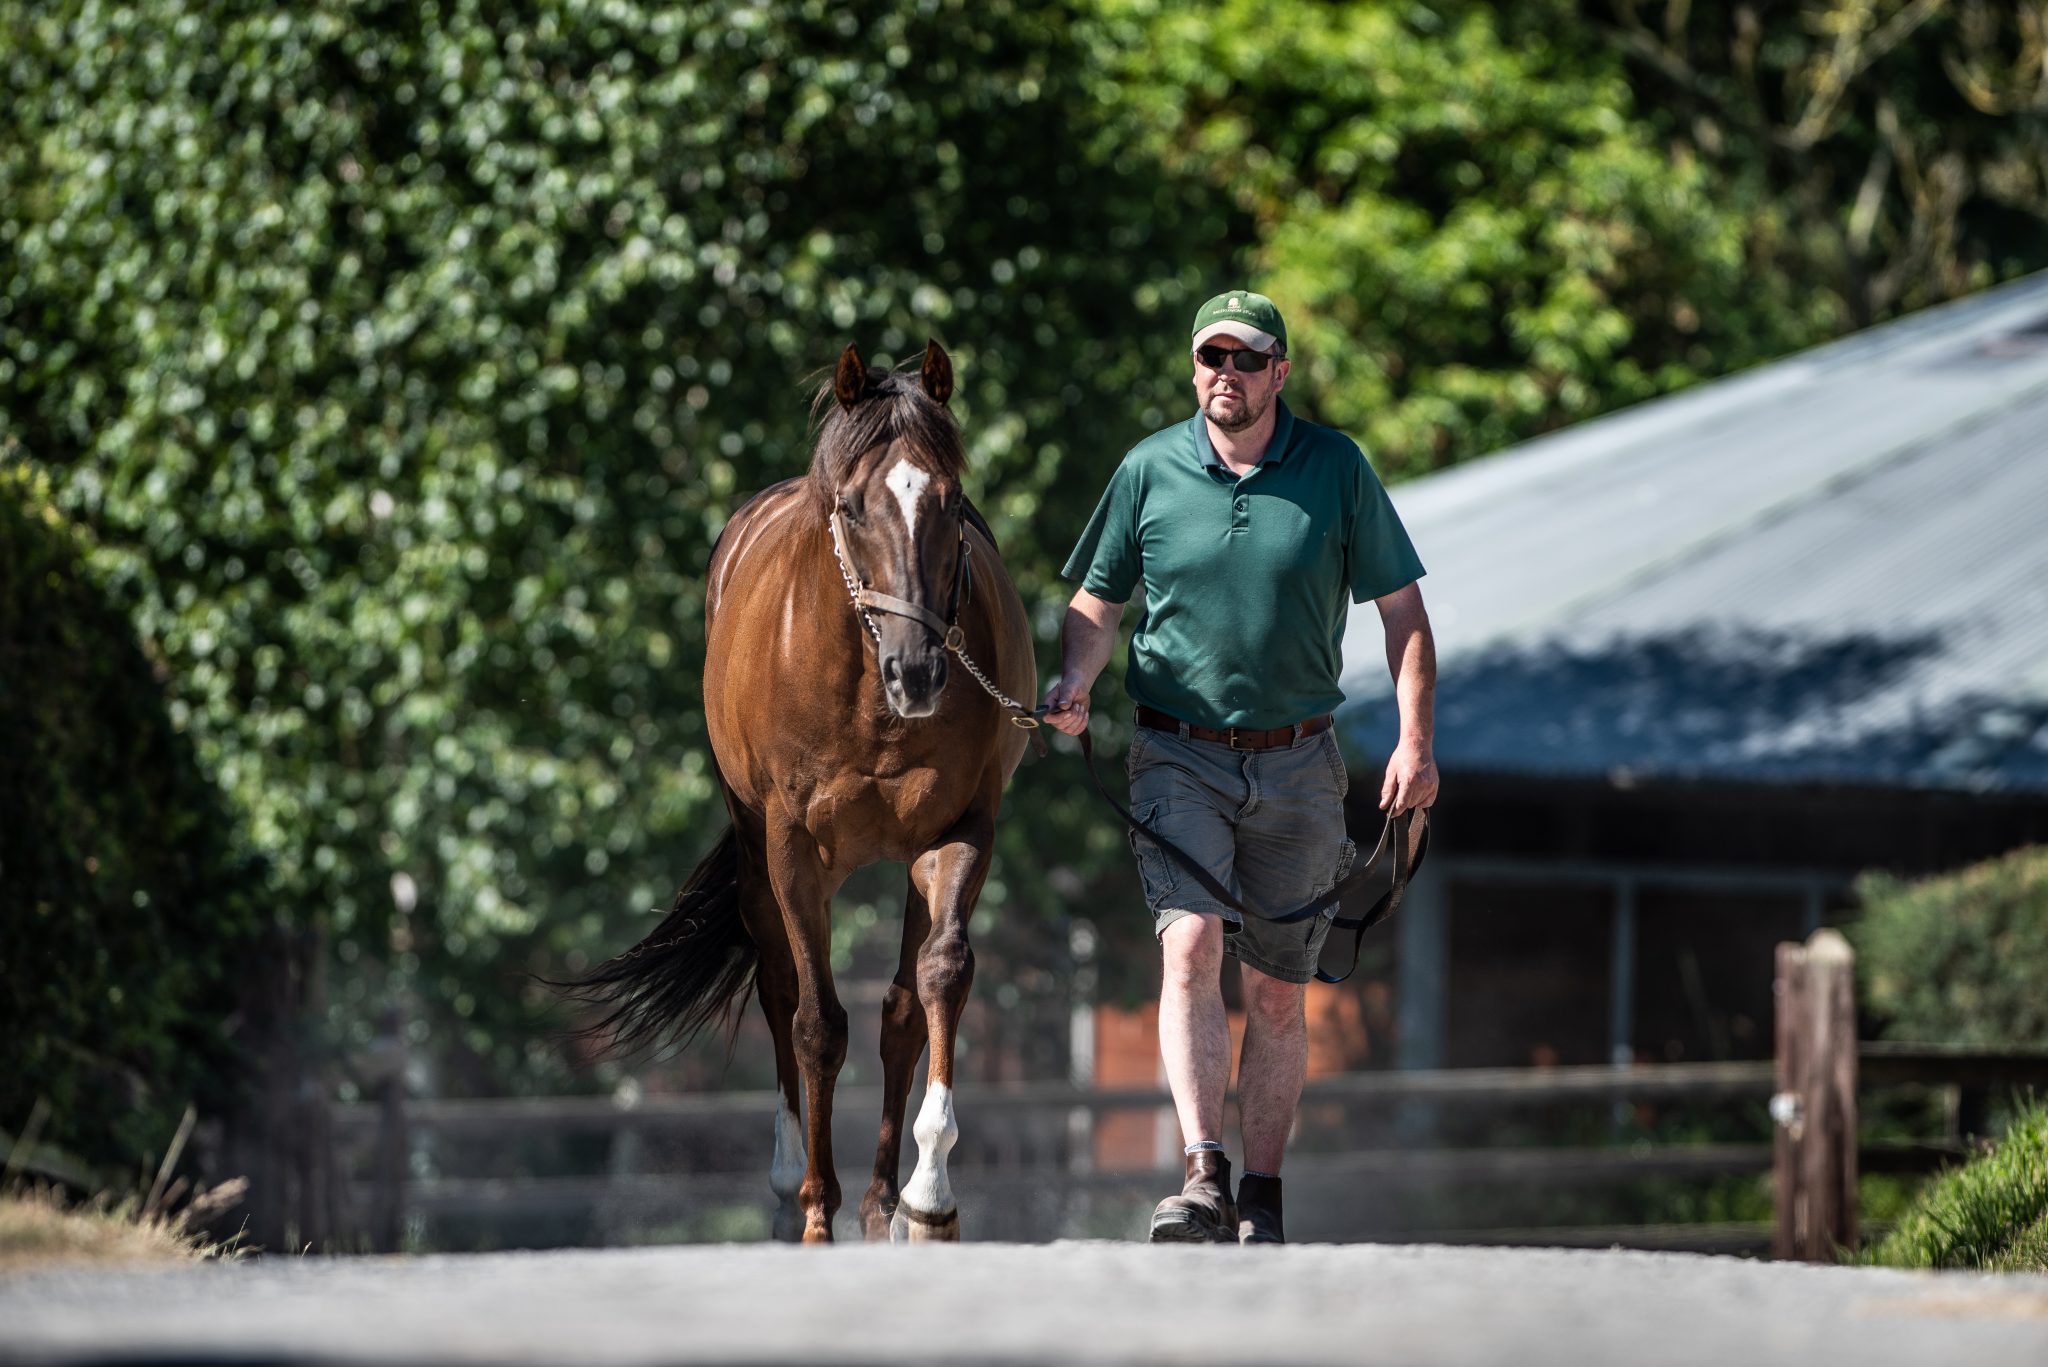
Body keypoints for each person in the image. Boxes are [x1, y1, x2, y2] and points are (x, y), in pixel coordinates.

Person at [1044, 290, 1438, 1245]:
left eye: (1246, 357)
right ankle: (1202, 1176)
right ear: (1194, 369)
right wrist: (1073, 679)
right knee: (1191, 947)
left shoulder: (1338, 469)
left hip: (1301, 763)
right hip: (1176, 750)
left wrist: (1416, 743)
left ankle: (1262, 1192)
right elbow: (1098, 602)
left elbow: (1404, 617)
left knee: (1275, 988)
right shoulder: (1148, 469)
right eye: (1211, 356)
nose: (1227, 372)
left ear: (1280, 372)